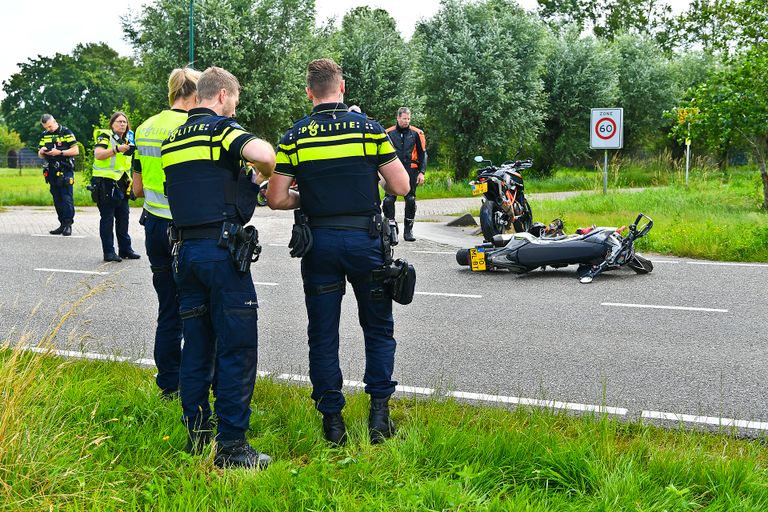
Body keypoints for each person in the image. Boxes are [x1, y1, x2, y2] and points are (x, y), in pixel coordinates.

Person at [267, 58, 410, 446]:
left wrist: (306, 195)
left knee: (323, 334)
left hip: (320, 246)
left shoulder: (295, 136)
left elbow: (276, 198)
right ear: (341, 88)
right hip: (366, 243)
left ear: (309, 92)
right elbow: (401, 186)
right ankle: (379, 419)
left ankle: (333, 425)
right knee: (378, 328)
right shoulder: (369, 129)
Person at [161, 66, 276, 469]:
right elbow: (266, 154)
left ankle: (198, 436)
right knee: (237, 348)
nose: (235, 108)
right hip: (221, 253)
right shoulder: (220, 130)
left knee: (196, 346)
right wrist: (262, 174)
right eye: (236, 101)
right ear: (223, 95)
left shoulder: (173, 139)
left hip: (185, 253)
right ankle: (231, 448)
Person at [132, 67, 201, 399]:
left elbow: (137, 187)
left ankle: (167, 385)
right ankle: (195, 382)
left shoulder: (144, 127)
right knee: (196, 309)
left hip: (153, 226)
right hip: (184, 230)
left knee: (167, 309)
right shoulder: (190, 127)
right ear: (194, 93)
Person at [91, 111, 141, 262]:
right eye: (119, 121)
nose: (122, 124)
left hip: (122, 182)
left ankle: (125, 249)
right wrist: (116, 149)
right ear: (112, 124)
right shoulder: (105, 136)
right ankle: (109, 252)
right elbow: (98, 154)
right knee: (107, 218)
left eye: (124, 122)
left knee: (123, 217)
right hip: (105, 182)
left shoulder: (128, 139)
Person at [383, 107, 427, 241]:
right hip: (393, 169)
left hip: (411, 169)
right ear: (398, 118)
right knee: (389, 200)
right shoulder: (388, 133)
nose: (406, 121)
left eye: (408, 119)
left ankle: (408, 231)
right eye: (404, 118)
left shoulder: (417, 133)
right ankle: (390, 230)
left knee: (410, 199)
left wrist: (422, 172)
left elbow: (423, 154)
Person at [37, 114, 79, 236]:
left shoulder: (66, 132)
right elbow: (40, 154)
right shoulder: (45, 135)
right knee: (57, 198)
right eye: (46, 127)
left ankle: (68, 225)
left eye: (50, 126)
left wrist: (60, 152)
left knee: (66, 198)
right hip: (51, 170)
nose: (49, 129)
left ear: (55, 121)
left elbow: (76, 150)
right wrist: (41, 151)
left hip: (65, 169)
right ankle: (62, 224)